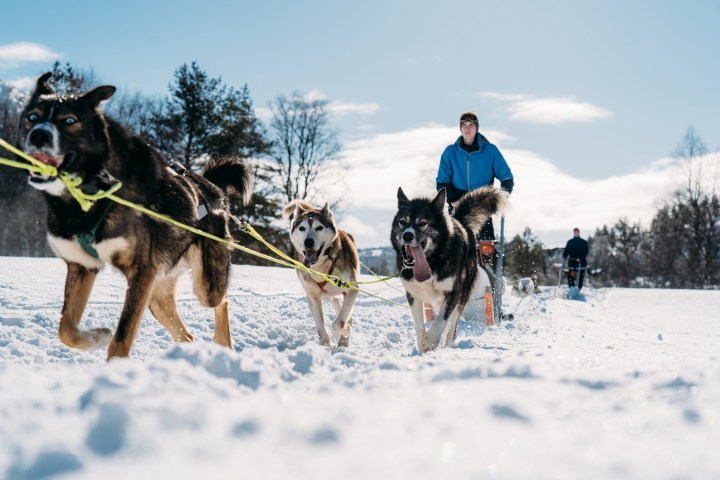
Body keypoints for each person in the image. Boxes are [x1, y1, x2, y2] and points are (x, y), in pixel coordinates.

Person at [436, 111, 514, 264]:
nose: (467, 128)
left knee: (486, 246)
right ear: (460, 128)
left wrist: (499, 199)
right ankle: (456, 278)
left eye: (471, 125)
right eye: (464, 125)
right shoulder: (450, 152)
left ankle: (488, 279)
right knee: (456, 245)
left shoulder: (490, 151)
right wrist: (451, 200)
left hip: (482, 204)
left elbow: (507, 178)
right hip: (457, 204)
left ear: (476, 127)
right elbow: (442, 181)